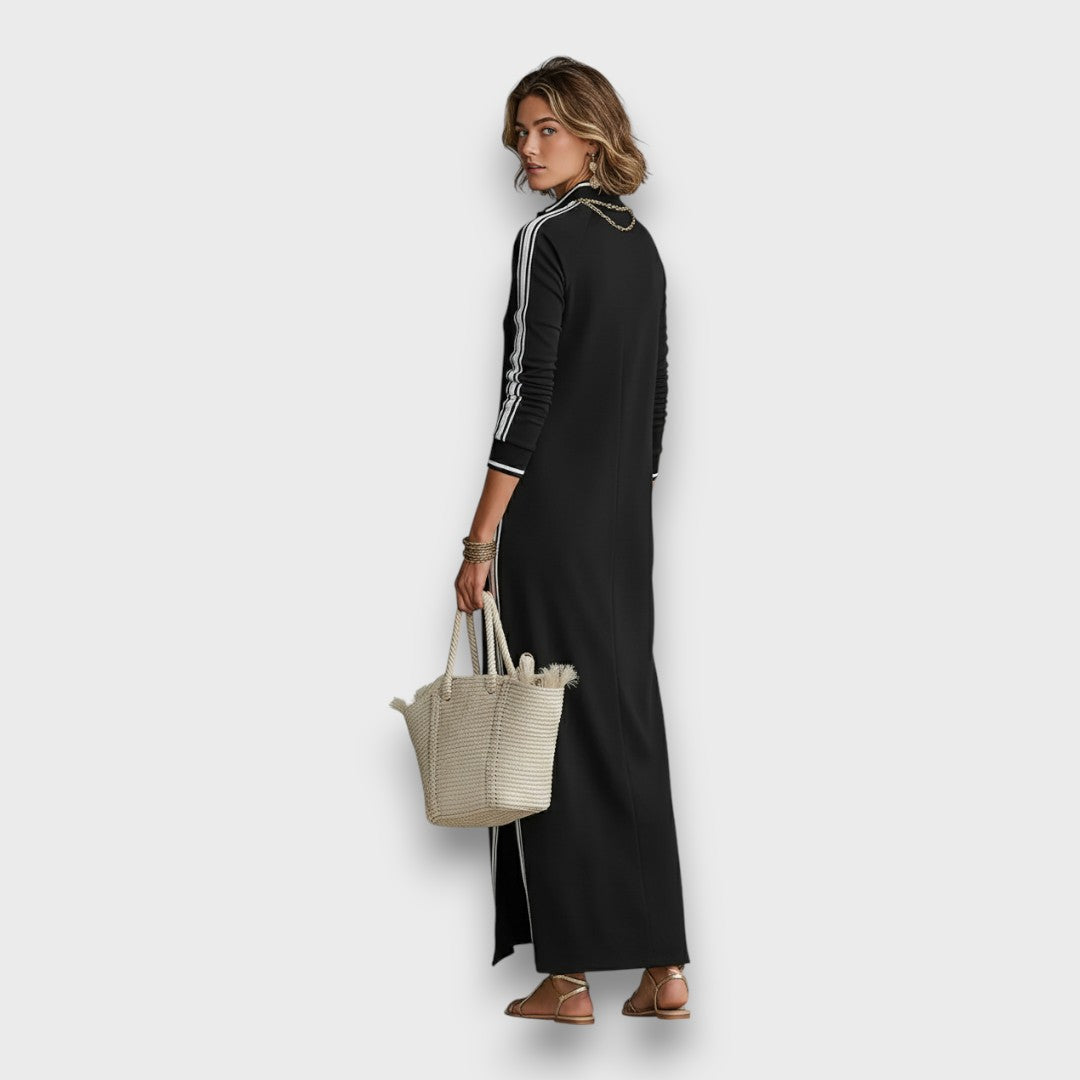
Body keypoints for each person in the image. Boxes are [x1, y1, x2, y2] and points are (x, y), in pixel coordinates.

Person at [454, 56, 691, 1024]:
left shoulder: (545, 237)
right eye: (521, 131)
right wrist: (624, 505)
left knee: (542, 729)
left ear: (594, 132)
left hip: (552, 523)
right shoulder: (643, 247)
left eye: (546, 127)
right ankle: (664, 969)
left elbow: (528, 391)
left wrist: (480, 540)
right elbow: (656, 402)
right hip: (623, 527)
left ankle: (568, 980)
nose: (529, 146)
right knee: (624, 722)